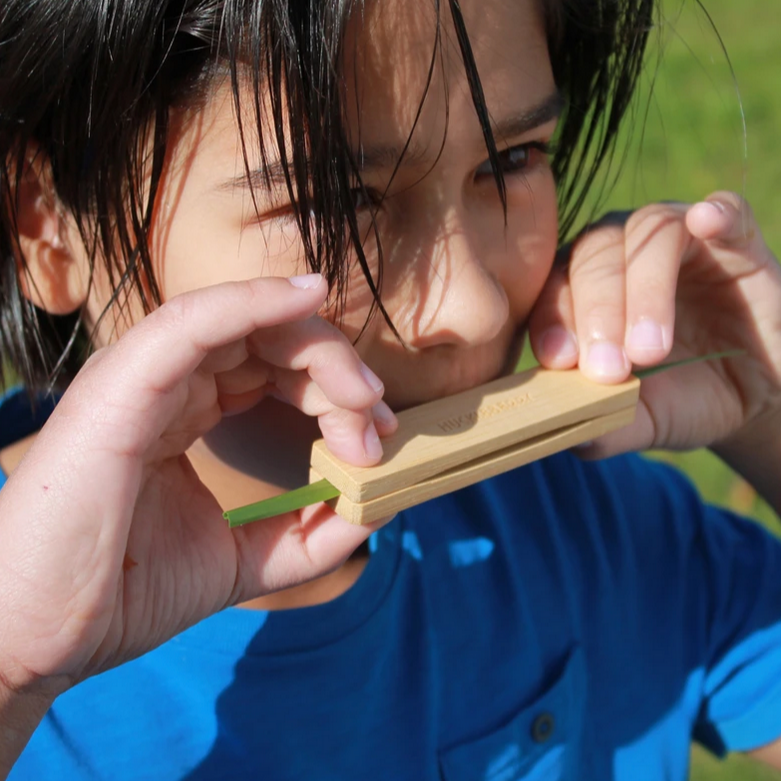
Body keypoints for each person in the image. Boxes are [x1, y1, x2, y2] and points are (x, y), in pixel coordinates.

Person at [1, 0, 781, 778]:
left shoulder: (589, 526)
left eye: (510, 160)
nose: (471, 310)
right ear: (48, 225)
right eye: (334, 201)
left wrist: (769, 408)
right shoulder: (25, 654)